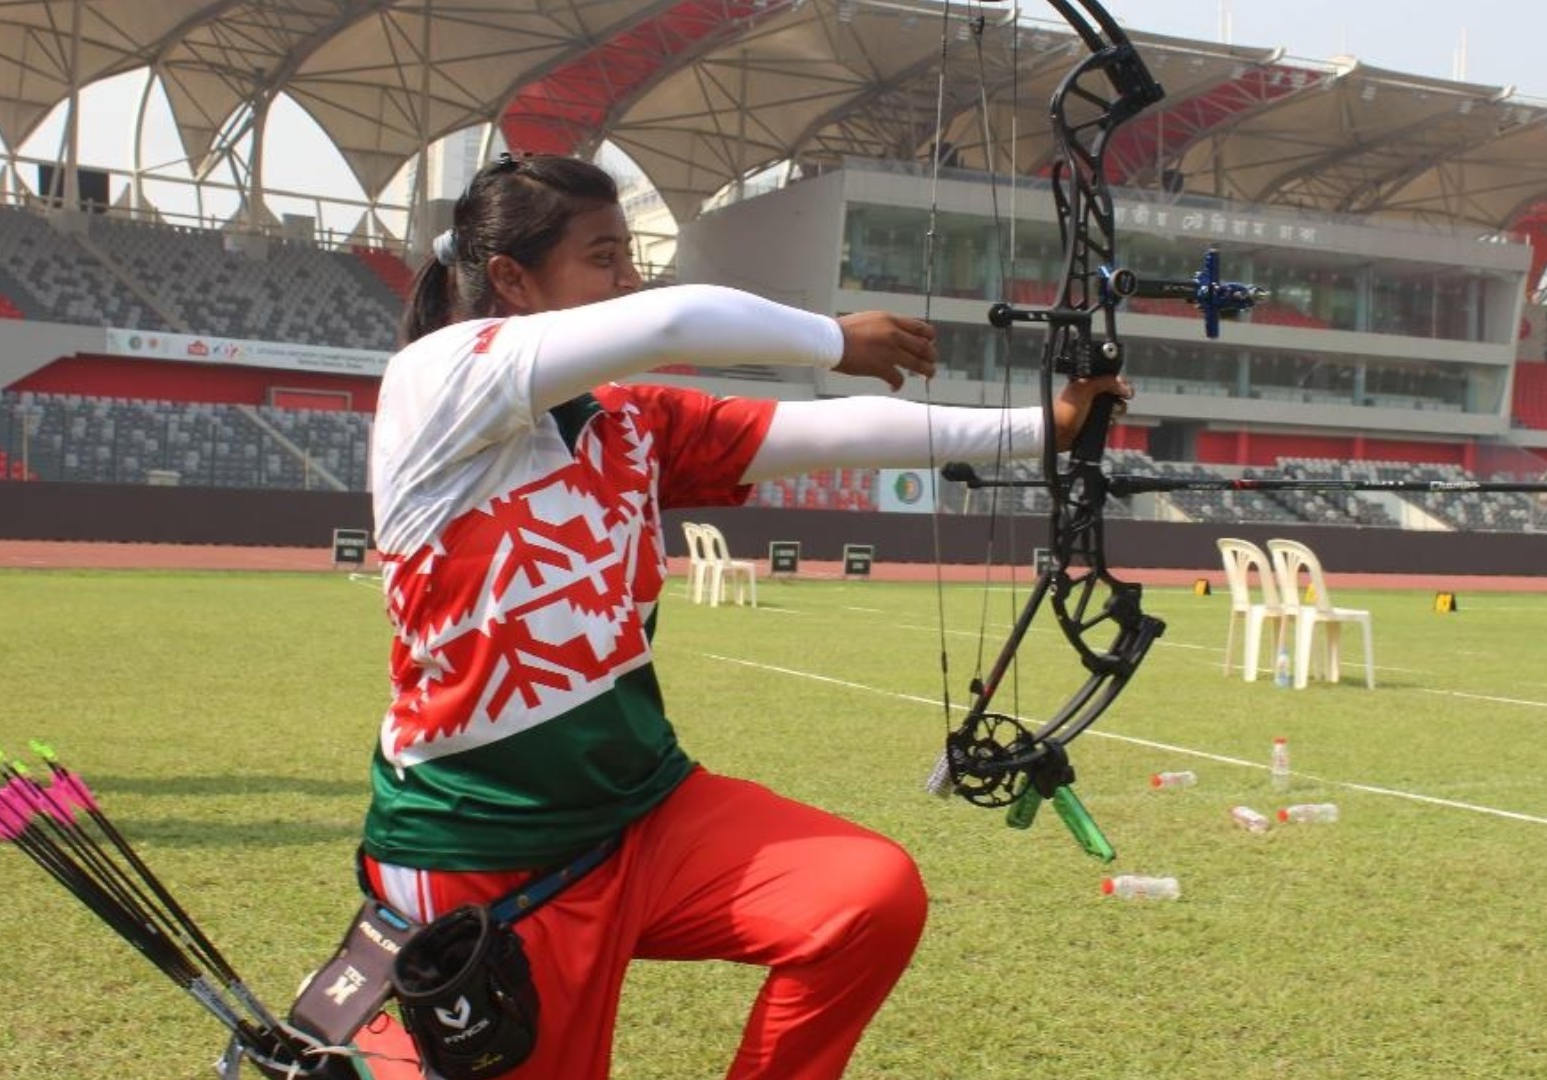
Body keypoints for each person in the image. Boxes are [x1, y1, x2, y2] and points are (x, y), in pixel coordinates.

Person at [359, 153, 1129, 1079]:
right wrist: (833, 334)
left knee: (864, 899)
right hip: (485, 844)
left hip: (644, 813)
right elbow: (677, 319)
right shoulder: (435, 380)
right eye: (603, 258)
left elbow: (831, 429)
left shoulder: (625, 420)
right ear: (513, 280)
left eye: (630, 257)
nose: (628, 279)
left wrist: (1041, 426)